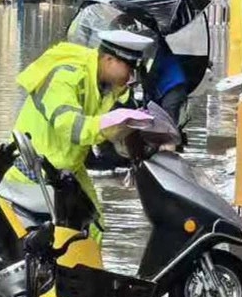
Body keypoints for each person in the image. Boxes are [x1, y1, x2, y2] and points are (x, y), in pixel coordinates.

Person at [9, 30, 154, 230]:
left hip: (68, 171)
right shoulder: (65, 77)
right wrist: (106, 128)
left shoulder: (108, 84)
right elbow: (72, 127)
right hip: (35, 174)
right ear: (109, 59)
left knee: (94, 227)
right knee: (62, 239)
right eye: (130, 69)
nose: (132, 78)